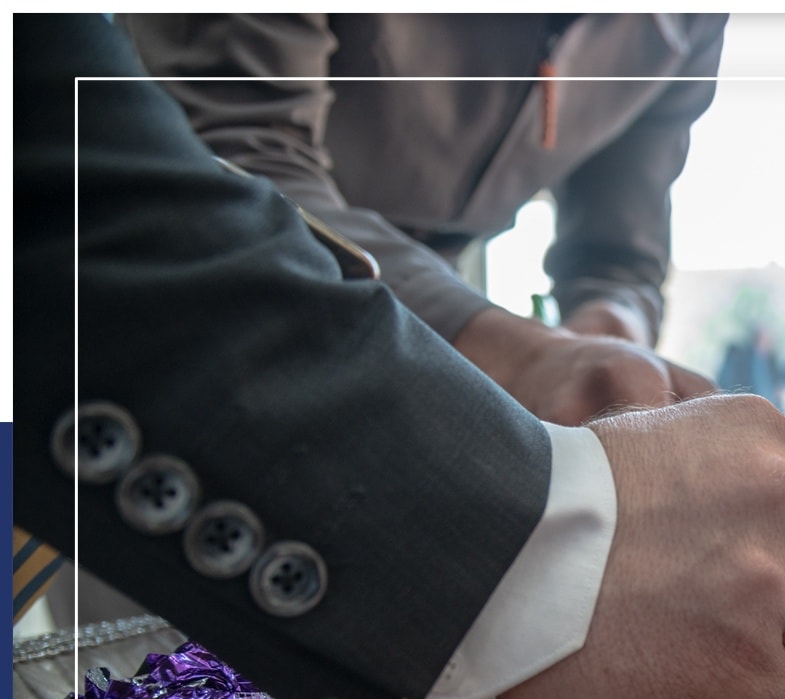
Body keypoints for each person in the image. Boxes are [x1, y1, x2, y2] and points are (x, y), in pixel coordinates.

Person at [19, 14, 785, 699]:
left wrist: (608, 345)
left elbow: (616, 253)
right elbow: (197, 152)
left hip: (452, 382)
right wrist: (548, 512)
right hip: (204, 365)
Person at [121, 14, 727, 426]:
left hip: (425, 336)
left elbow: (618, 257)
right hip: (176, 308)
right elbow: (235, 158)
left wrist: (611, 333)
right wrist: (518, 356)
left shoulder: (690, 21)